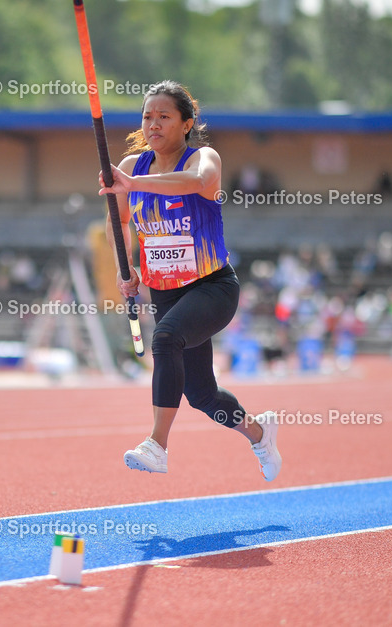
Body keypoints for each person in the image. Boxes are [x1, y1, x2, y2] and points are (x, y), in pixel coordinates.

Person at [98, 80, 281, 480]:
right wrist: (124, 267)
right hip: (164, 292)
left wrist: (133, 185)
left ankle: (157, 445)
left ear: (186, 123)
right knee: (201, 395)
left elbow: (196, 183)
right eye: (147, 116)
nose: (153, 124)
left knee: (165, 339)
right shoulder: (131, 167)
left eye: (164, 116)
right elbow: (120, 222)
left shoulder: (203, 158)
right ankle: (260, 433)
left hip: (212, 287)